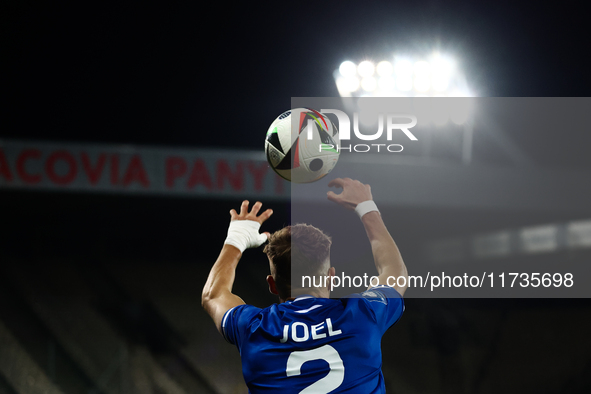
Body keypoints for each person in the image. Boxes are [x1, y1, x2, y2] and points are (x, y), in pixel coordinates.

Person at [202, 178, 408, 393]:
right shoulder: (363, 314)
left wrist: (236, 239)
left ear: (272, 285)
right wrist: (366, 207)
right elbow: (395, 273)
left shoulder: (253, 328)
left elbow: (213, 295)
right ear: (331, 278)